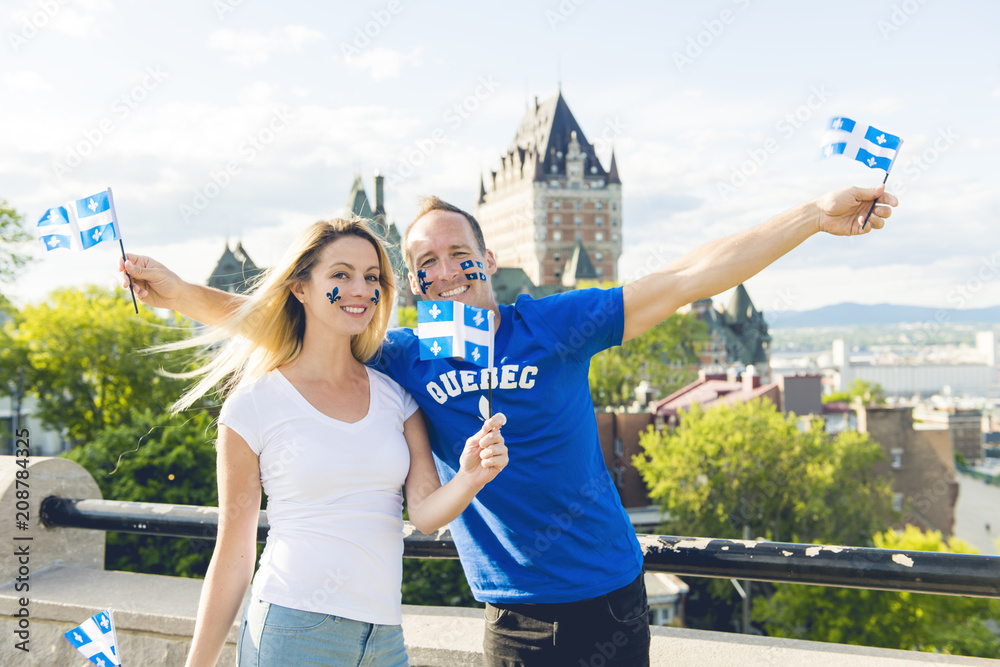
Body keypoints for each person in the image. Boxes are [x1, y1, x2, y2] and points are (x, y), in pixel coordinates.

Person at [122, 184, 897, 666]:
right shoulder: (405, 357)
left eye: (459, 250)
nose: (444, 266)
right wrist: (182, 291)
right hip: (512, 614)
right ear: (414, 279)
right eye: (423, 259)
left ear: (488, 256)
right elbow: (296, 321)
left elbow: (692, 275)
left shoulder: (553, 323)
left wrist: (810, 217)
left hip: (610, 597)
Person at [171, 218, 508, 667]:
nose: (361, 289)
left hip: (384, 637)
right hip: (292, 629)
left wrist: (469, 477)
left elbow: (425, 513)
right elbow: (233, 553)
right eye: (341, 274)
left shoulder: (396, 396)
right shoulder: (254, 403)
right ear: (300, 288)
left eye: (372, 277)